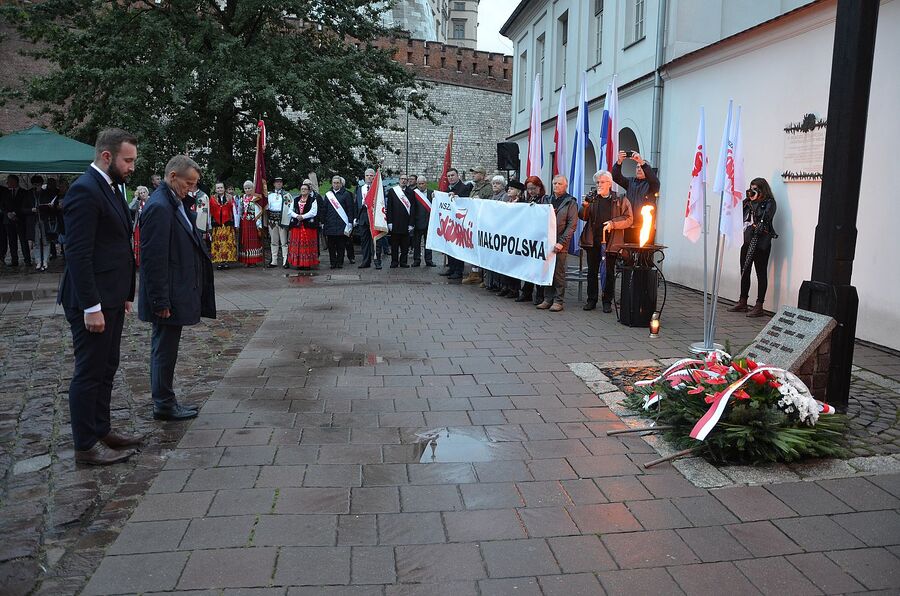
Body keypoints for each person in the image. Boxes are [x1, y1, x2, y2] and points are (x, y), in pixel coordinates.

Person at [57, 128, 140, 465]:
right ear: (107, 156)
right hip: (90, 301)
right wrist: (92, 306)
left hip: (111, 296)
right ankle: (85, 446)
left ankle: (102, 429)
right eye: (128, 160)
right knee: (89, 372)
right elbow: (78, 253)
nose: (132, 166)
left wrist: (124, 293)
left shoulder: (111, 187)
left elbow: (117, 243)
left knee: (107, 366)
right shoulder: (84, 190)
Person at [139, 154, 216, 421]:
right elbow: (153, 259)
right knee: (163, 349)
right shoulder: (160, 207)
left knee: (166, 348)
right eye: (188, 183)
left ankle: (166, 399)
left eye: (194, 184)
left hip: (176, 290)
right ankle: (163, 403)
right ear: (173, 177)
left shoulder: (177, 202)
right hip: (167, 295)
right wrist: (160, 301)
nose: (191, 188)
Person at [579, 170, 634, 313]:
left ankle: (607, 301)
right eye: (597, 182)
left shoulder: (620, 200)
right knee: (592, 272)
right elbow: (583, 217)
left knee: (609, 272)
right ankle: (591, 299)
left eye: (602, 182)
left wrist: (613, 224)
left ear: (609, 183)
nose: (599, 185)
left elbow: (629, 219)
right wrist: (584, 206)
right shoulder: (592, 199)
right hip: (593, 241)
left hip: (611, 242)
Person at [728, 177, 778, 318]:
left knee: (760, 273)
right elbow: (737, 214)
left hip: (761, 242)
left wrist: (755, 202)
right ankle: (743, 301)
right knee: (744, 270)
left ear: (763, 189)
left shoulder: (769, 203)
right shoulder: (748, 202)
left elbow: (764, 218)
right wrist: (747, 201)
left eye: (755, 189)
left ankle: (759, 305)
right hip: (747, 240)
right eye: (751, 188)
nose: (752, 191)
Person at [536, 176, 578, 312]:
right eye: (554, 183)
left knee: (558, 272)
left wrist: (562, 242)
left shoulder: (570, 202)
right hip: (546, 241)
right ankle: (547, 299)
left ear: (565, 186)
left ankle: (558, 301)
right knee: (547, 271)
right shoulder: (546, 199)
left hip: (561, 242)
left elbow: (572, 225)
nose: (556, 186)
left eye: (559, 183)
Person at [612, 150, 661, 245]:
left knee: (644, 258)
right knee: (628, 256)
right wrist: (619, 163)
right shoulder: (630, 182)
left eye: (641, 167)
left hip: (645, 227)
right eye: (637, 167)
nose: (639, 169)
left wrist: (641, 162)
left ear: (647, 170)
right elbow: (616, 176)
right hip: (629, 227)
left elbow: (655, 181)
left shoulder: (652, 185)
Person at [515, 176, 549, 304]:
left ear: (539, 187)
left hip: (539, 237)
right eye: (529, 189)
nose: (531, 191)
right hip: (529, 236)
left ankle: (540, 293)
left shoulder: (545, 200)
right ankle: (527, 291)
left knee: (539, 267)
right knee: (528, 266)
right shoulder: (527, 199)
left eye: (533, 189)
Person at [440, 168, 470, 281]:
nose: (451, 178)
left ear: (458, 176)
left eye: (453, 175)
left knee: (458, 247)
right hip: (450, 222)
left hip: (460, 223)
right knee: (450, 246)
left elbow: (466, 202)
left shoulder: (464, 188)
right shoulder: (447, 189)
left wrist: (458, 197)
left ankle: (458, 270)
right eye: (448, 176)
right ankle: (451, 267)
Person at [497, 180, 525, 298]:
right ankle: (506, 286)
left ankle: (514, 288)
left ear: (518, 192)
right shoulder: (506, 202)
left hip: (516, 235)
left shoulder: (521, 203)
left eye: (512, 189)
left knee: (514, 263)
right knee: (505, 262)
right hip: (506, 235)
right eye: (509, 188)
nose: (509, 190)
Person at [322, 175, 355, 269]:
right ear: (332, 184)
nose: (336, 184)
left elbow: (350, 209)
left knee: (341, 245)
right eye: (334, 183)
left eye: (337, 183)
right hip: (330, 223)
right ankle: (333, 262)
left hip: (342, 224)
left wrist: (350, 222)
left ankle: (340, 262)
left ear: (341, 184)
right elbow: (324, 209)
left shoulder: (346, 194)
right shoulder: (328, 195)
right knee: (331, 246)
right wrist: (323, 221)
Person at [287, 182, 319, 269]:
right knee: (297, 245)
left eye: (305, 189)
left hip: (308, 226)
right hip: (297, 226)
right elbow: (290, 211)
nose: (303, 190)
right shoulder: (296, 199)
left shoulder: (313, 200)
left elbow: (313, 212)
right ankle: (299, 263)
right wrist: (297, 216)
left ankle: (307, 264)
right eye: (302, 189)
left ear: (309, 191)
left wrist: (303, 217)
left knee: (307, 244)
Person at [355, 168, 383, 269]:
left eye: (371, 175)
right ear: (364, 177)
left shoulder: (378, 189)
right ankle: (366, 261)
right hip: (363, 217)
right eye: (367, 175)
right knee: (364, 241)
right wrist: (355, 217)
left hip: (375, 217)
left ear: (374, 176)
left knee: (376, 240)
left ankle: (377, 261)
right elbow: (356, 204)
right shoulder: (360, 188)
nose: (369, 177)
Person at [1, 174, 31, 267]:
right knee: (12, 241)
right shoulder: (6, 193)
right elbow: (3, 205)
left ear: (14, 182)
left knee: (23, 240)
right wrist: (8, 213)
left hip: (20, 219)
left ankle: (27, 260)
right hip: (8, 220)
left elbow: (24, 205)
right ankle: (15, 260)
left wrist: (15, 213)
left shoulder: (24, 192)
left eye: (9, 181)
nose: (7, 183)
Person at [209, 182, 238, 270]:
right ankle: (219, 261)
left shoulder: (230, 198)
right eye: (218, 188)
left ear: (224, 188)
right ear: (215, 189)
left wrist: (236, 224)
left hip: (227, 224)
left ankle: (226, 262)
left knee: (227, 243)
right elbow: (210, 212)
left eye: (221, 187)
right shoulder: (212, 198)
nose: (220, 189)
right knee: (218, 243)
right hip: (216, 225)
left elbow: (234, 211)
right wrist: (209, 225)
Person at [386, 181, 413, 268]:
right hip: (395, 222)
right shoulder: (392, 191)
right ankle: (394, 262)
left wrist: (411, 224)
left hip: (406, 223)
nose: (404, 180)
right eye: (402, 178)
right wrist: (389, 222)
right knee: (394, 245)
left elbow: (413, 209)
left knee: (405, 245)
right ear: (399, 180)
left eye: (405, 179)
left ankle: (403, 262)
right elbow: (389, 207)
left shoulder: (411, 192)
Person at [266, 176, 291, 268]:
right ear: (274, 184)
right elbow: (266, 207)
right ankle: (274, 260)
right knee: (274, 241)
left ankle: (285, 261)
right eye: (277, 182)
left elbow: (289, 208)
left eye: (280, 182)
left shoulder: (287, 195)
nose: (279, 183)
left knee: (284, 241)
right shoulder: (269, 195)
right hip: (272, 220)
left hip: (282, 220)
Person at [410, 175, 435, 267]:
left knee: (428, 243)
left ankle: (429, 260)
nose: (421, 185)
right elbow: (412, 209)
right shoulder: (414, 193)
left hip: (429, 222)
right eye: (419, 184)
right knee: (416, 243)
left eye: (422, 183)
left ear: (426, 183)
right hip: (417, 222)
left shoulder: (432, 193)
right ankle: (417, 260)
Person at [237, 180, 263, 266]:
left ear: (253, 188)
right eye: (246, 188)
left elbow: (258, 210)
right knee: (244, 241)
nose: (247, 190)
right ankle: (246, 260)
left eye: (249, 188)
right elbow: (239, 210)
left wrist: (259, 224)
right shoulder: (242, 198)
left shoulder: (256, 198)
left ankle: (253, 260)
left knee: (252, 241)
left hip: (253, 221)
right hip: (244, 222)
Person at [129, 185, 150, 267]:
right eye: (140, 193)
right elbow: (129, 207)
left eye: (144, 192)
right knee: (140, 244)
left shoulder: (152, 200)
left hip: (149, 226)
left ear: (147, 192)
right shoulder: (138, 203)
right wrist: (135, 198)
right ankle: (140, 262)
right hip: (139, 226)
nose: (142, 194)